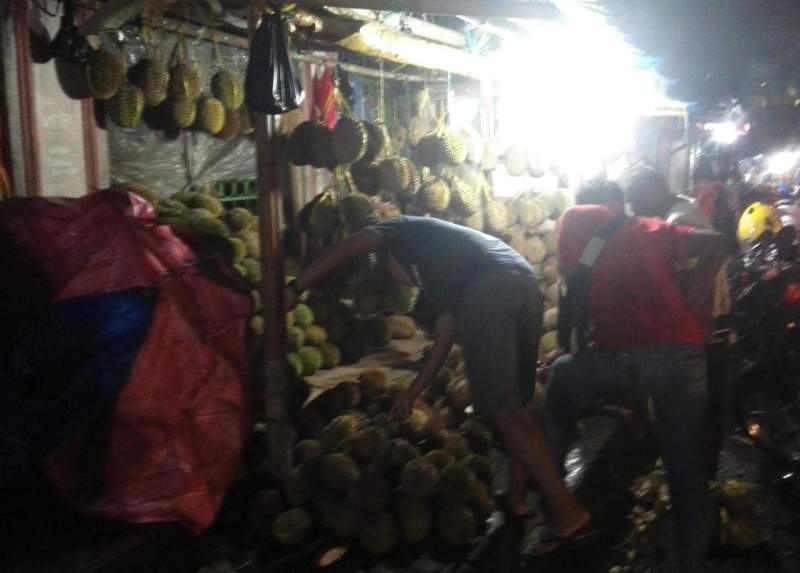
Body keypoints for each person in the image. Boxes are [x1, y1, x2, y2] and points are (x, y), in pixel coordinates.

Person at [285, 206, 590, 556]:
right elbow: (442, 344)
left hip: (491, 290)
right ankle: (517, 497)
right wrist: (411, 395)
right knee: (518, 406)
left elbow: (347, 247)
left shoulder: (399, 230)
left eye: (392, 275)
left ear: (388, 258)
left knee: (503, 410)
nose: (402, 283)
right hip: (522, 284)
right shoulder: (441, 271)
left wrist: (298, 286)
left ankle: (567, 510)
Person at [543, 179, 730, 573]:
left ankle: (555, 500)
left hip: (632, 360)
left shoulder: (574, 219)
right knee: (684, 471)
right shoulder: (649, 227)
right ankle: (691, 563)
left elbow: (572, 294)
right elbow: (717, 242)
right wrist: (695, 303)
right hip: (686, 360)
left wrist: (574, 348)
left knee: (561, 376)